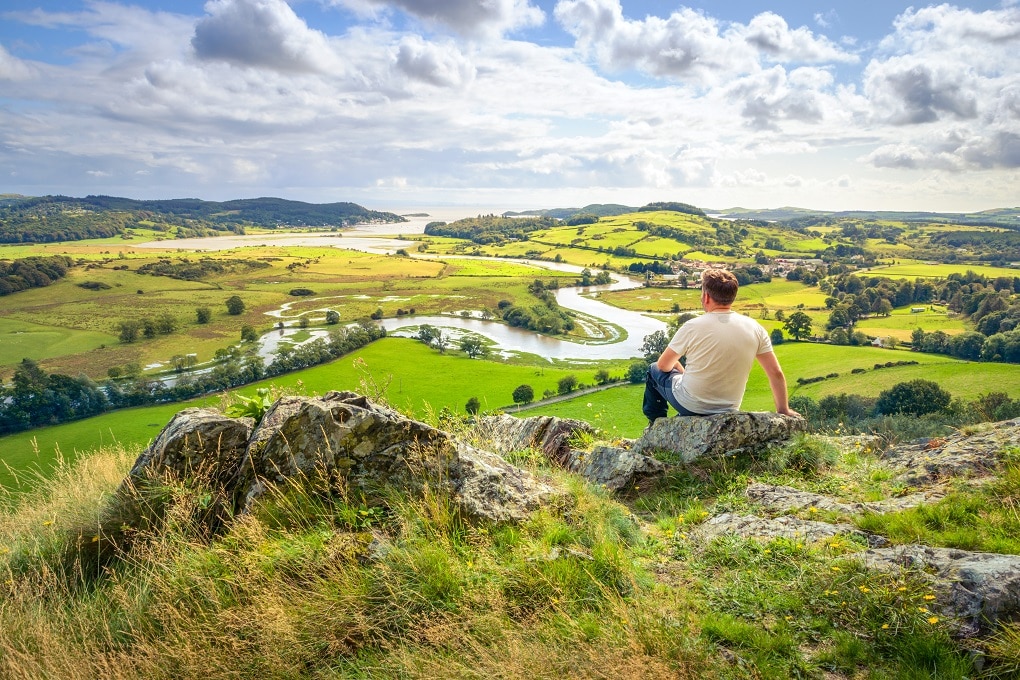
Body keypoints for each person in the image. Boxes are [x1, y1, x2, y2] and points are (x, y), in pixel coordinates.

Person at [643, 268, 800, 424]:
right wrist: (783, 409)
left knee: (653, 369)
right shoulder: (755, 328)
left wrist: (678, 367)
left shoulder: (692, 326)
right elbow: (776, 373)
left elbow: (663, 366)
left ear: (706, 296)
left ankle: (657, 423)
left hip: (690, 405)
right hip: (730, 407)